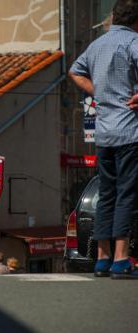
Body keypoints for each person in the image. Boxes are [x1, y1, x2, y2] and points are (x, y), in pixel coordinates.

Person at [69, 0, 138, 279]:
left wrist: (98, 92)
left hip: (104, 134)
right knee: (127, 194)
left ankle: (102, 257)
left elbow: (75, 70)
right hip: (130, 132)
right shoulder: (133, 41)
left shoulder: (97, 45)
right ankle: (122, 259)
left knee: (106, 195)